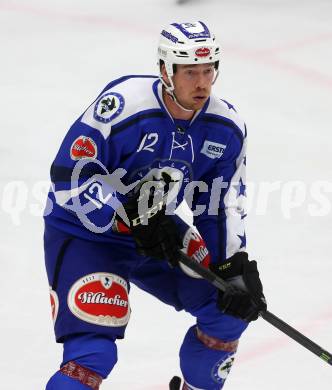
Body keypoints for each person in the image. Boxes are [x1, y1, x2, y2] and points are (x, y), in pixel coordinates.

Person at [44, 21, 266, 390]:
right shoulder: (123, 105)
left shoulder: (225, 127)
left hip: (156, 231)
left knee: (226, 312)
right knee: (93, 356)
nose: (202, 82)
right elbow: (70, 177)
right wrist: (124, 216)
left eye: (208, 70)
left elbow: (219, 204)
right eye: (190, 72)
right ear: (166, 70)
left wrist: (232, 265)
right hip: (87, 233)